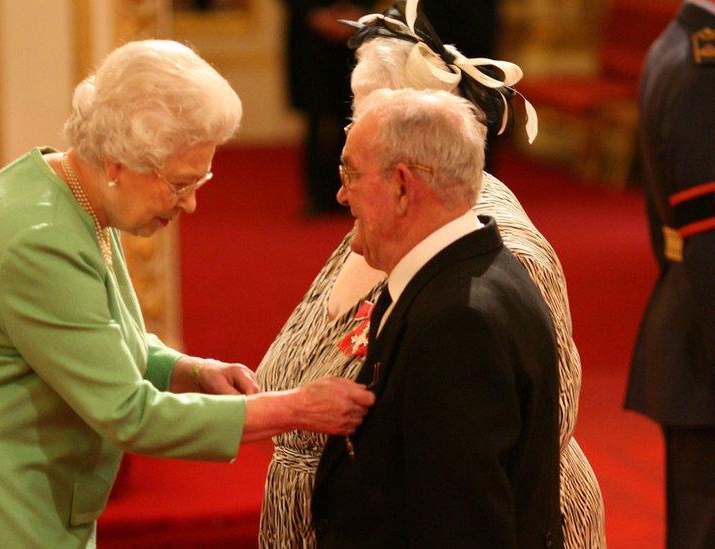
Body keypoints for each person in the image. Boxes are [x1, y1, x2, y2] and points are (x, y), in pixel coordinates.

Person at [0, 40, 375, 548]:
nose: (192, 204)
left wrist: (188, 369)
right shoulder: (41, 239)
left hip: (22, 481)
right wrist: (294, 408)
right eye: (180, 183)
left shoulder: (80, 190)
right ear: (118, 161)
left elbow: (105, 334)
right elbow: (130, 415)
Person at [257, 4, 605, 547]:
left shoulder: (489, 263)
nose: (342, 184)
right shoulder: (392, 229)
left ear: (414, 160)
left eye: (363, 141)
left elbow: (524, 440)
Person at [312, 86, 561, 546]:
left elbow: (462, 524)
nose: (341, 194)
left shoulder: (460, 322)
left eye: (350, 173)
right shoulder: (464, 277)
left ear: (403, 186)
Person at [625, 1, 715, 546]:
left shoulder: (677, 46)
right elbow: (707, 241)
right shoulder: (704, 70)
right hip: (705, 348)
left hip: (692, 327)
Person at [281, 0, 376, 215]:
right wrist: (313, 13)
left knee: (355, 118)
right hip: (310, 42)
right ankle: (316, 195)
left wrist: (359, 11)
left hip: (354, 38)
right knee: (315, 122)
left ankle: (352, 191)